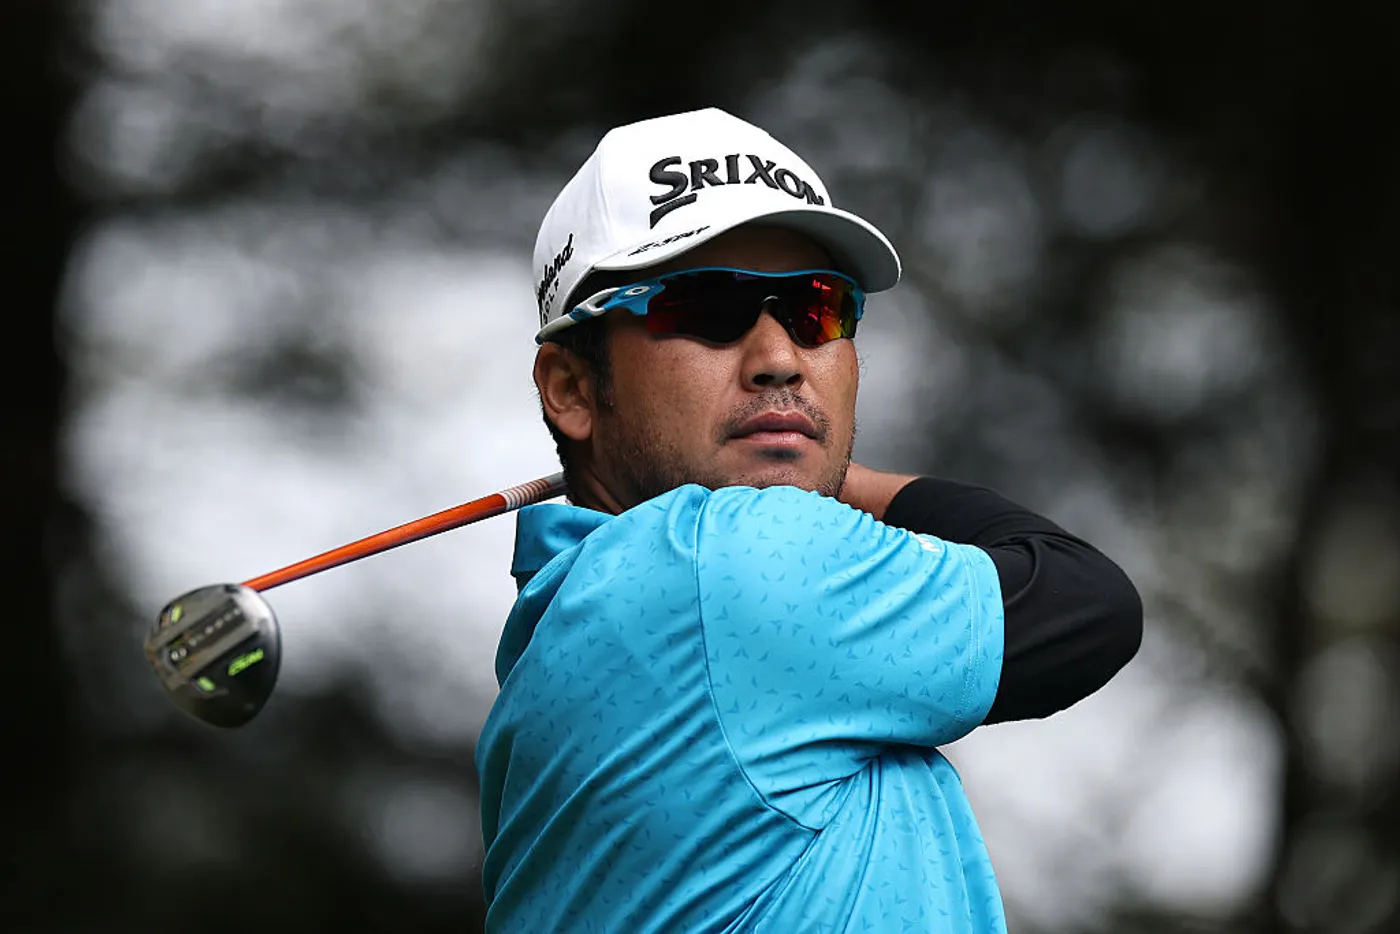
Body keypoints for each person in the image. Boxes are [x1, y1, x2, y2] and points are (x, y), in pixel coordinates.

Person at [476, 107, 1142, 933]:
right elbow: (1085, 602)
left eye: (816, 307)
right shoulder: (718, 564)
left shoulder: (566, 617)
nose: (781, 359)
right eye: (706, 307)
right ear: (572, 388)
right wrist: (819, 469)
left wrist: (776, 451)